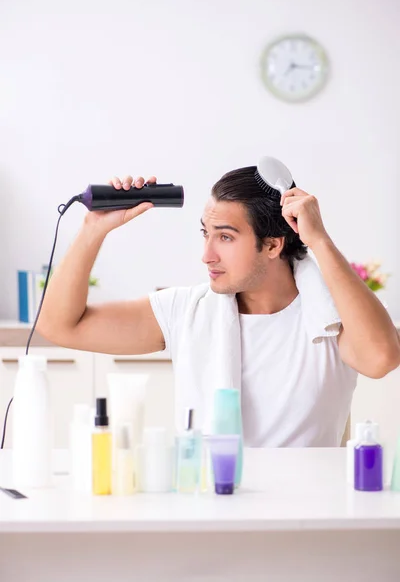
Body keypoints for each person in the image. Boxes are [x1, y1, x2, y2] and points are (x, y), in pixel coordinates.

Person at [37, 166, 400, 447]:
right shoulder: (187, 310)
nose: (207, 255)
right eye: (205, 234)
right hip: (209, 507)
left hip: (305, 514)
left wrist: (318, 238)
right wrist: (92, 229)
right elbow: (59, 326)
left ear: (273, 245)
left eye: (225, 236)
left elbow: (381, 358)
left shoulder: (331, 317)